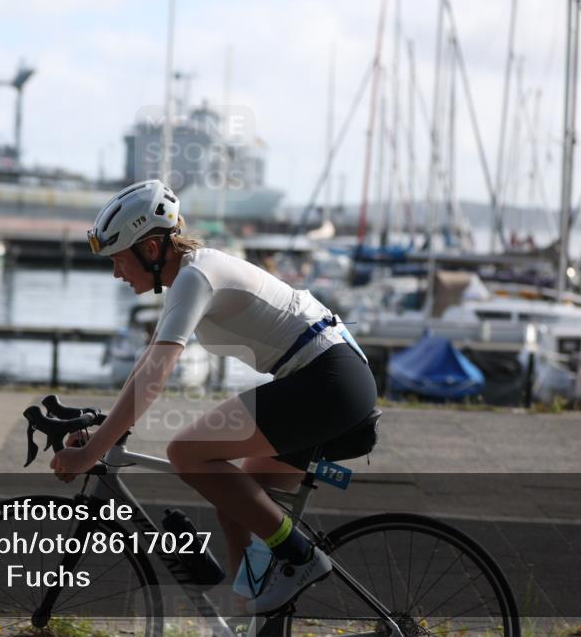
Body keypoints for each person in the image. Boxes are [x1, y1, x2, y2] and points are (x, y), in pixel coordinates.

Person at [50, 180, 378, 614]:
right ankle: (247, 616)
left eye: (118, 258)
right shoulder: (187, 277)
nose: (115, 272)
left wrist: (92, 452)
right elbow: (145, 365)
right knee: (239, 504)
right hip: (327, 378)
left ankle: (300, 557)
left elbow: (156, 375)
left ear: (150, 249)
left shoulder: (195, 277)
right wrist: (106, 432)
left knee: (187, 452)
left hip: (328, 380)